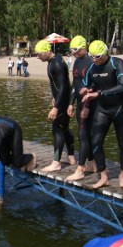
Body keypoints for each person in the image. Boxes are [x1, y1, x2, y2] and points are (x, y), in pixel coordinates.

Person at [81, 40, 123, 189]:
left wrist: (98, 93)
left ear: (105, 53)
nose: (94, 60)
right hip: (102, 109)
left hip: (119, 108)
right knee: (96, 142)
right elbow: (89, 84)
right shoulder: (92, 67)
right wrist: (87, 90)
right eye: (92, 57)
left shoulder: (117, 63)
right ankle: (103, 176)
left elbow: (122, 86)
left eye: (97, 57)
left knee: (122, 142)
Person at [34, 39, 75, 173]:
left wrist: (56, 106)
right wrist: (54, 96)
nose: (38, 57)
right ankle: (71, 156)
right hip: (61, 98)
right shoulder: (55, 59)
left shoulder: (56, 63)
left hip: (62, 101)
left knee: (56, 128)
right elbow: (60, 83)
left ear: (47, 51)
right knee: (65, 128)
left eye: (39, 54)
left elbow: (63, 86)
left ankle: (56, 163)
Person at [65, 36, 97, 181]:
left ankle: (80, 169)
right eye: (72, 50)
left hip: (89, 105)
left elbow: (95, 85)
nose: (74, 53)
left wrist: (87, 106)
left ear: (84, 47)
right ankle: (92, 163)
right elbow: (75, 85)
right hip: (79, 103)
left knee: (83, 135)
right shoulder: (77, 61)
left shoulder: (91, 63)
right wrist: (70, 103)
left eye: (76, 50)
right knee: (85, 135)